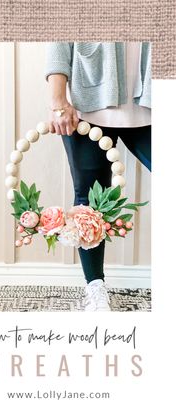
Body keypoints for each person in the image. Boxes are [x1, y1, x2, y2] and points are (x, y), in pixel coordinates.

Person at [45, 42, 151, 311]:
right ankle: (95, 289)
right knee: (89, 201)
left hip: (151, 102)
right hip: (89, 104)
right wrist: (58, 100)